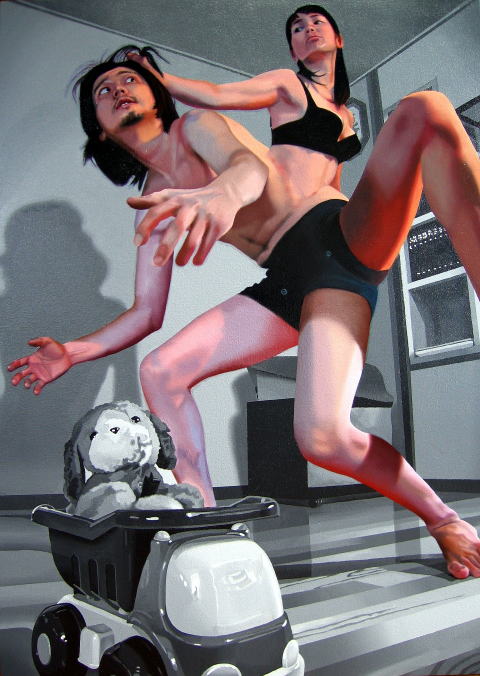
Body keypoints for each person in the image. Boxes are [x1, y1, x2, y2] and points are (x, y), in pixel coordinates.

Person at [126, 4, 480, 580]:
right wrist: (157, 79)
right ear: (291, 49)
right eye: (296, 27)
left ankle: (443, 519)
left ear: (338, 37)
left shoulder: (347, 115)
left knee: (425, 110)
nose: (307, 29)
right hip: (289, 274)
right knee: (311, 432)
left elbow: (327, 180)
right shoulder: (287, 86)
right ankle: (206, 524)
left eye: (316, 22)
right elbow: (216, 94)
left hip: (341, 244)